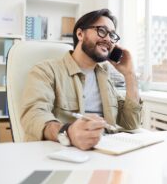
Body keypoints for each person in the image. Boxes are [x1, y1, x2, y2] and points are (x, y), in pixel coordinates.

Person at [20, 9, 143, 150]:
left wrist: (130, 74)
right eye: (102, 31)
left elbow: (131, 123)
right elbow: (33, 115)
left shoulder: (105, 78)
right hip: (64, 152)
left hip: (107, 151)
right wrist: (68, 133)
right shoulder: (46, 71)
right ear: (80, 34)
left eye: (112, 35)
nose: (109, 39)